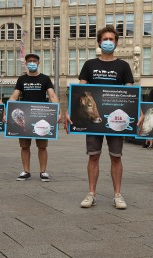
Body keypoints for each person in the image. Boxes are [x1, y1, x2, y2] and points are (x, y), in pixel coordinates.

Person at [64, 25, 134, 209]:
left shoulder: (123, 66)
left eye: (112, 39)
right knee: (93, 156)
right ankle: (91, 194)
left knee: (116, 157)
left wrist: (139, 111)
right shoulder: (90, 65)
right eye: (105, 39)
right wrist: (69, 110)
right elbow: (79, 91)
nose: (108, 42)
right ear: (99, 42)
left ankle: (117, 194)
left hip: (115, 120)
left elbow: (130, 93)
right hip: (93, 122)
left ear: (116, 43)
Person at [8, 53, 60, 182]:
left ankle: (43, 172)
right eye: (29, 61)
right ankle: (26, 171)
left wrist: (58, 111)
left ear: (38, 63)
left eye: (34, 61)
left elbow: (52, 96)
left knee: (42, 146)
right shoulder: (21, 79)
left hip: (41, 116)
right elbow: (14, 96)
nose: (32, 63)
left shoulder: (45, 79)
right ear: (26, 63)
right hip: (24, 117)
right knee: (24, 146)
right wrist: (6, 111)